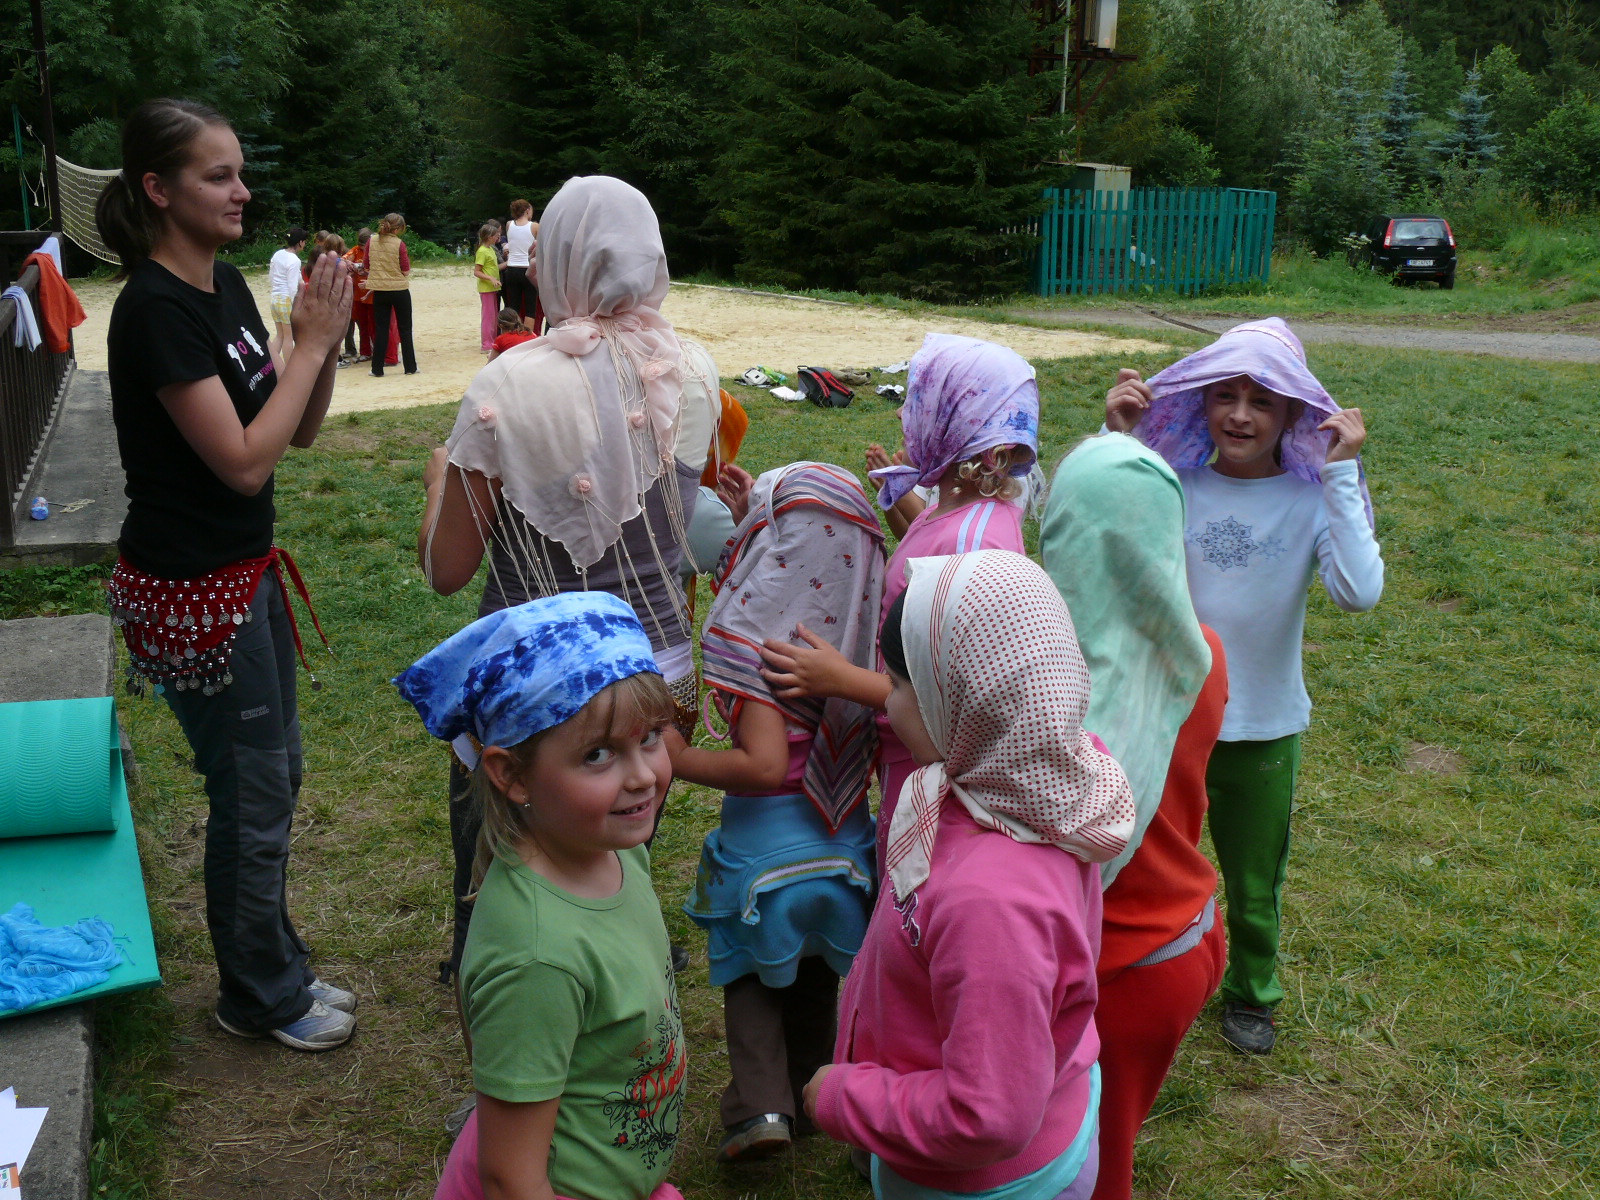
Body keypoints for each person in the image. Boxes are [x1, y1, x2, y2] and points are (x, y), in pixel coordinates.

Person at [94, 97, 354, 1051]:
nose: (242, 190)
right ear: (158, 189)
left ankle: (271, 961)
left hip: (245, 575)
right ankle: (258, 995)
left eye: (240, 171)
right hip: (196, 591)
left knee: (273, 777)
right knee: (250, 791)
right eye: (218, 175)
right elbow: (243, 463)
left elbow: (296, 428)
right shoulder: (154, 311)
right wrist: (311, 347)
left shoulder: (228, 285)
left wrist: (323, 340)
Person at [416, 174, 719, 982]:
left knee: (501, 872)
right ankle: (622, 975)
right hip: (654, 672)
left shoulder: (509, 383)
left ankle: (506, 993)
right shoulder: (692, 368)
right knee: (618, 849)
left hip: (534, 689)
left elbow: (447, 569)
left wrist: (439, 481)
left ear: (554, 260)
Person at [804, 550, 1137, 1200]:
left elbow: (987, 1116)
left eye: (897, 686)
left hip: (981, 1182)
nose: (886, 703)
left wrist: (843, 1097)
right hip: (1045, 1091)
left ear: (963, 703)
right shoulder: (1044, 779)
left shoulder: (992, 903)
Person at [1103, 317, 1384, 1054]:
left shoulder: (1309, 499)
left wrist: (1341, 474)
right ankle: (1137, 972)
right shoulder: (1171, 483)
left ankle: (1253, 993)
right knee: (1141, 863)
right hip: (1167, 720)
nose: (1240, 415)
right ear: (1199, 402)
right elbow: (1103, 546)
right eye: (1224, 395)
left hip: (1262, 727)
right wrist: (1119, 442)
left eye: (1262, 401)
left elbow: (1358, 592)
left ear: (1293, 414)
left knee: (1254, 881)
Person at [395, 594, 687, 1200]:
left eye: (651, 737)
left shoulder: (613, 849)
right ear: (511, 774)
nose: (642, 776)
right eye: (598, 754)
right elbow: (511, 1179)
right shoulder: (537, 956)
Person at [759, 333, 1041, 870]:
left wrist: (839, 679)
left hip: (927, 766)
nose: (901, 414)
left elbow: (951, 706)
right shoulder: (956, 510)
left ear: (964, 432)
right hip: (903, 742)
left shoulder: (972, 546)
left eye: (917, 402)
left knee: (911, 876)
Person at [671, 462, 884, 1164]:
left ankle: (760, 1107)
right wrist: (747, 514)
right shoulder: (856, 643)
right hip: (843, 853)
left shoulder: (765, 649)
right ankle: (812, 1090)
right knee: (817, 979)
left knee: (752, 981)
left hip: (765, 865)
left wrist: (679, 758)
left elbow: (763, 766)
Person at [1041, 433, 1227, 1200]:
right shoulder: (1201, 653)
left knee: (1085, 1166)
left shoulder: (1051, 680)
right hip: (1184, 934)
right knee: (1103, 1144)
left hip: (1110, 966)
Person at [367, 212, 417, 376]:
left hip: (380, 290)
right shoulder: (399, 244)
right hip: (399, 289)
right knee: (405, 329)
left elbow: (366, 266)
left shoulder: (371, 241)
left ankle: (377, 369)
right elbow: (406, 270)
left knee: (381, 329)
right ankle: (410, 367)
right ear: (398, 229)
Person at [268, 225, 307, 355]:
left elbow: (271, 276)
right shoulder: (294, 260)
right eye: (304, 241)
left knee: (280, 335)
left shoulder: (278, 254)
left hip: (275, 299)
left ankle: (271, 363)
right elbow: (292, 286)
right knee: (288, 337)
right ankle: (288, 366)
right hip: (286, 300)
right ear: (300, 242)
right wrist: (296, 304)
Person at [500, 198, 537, 330]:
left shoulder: (509, 224)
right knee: (530, 309)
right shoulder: (534, 226)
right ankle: (527, 337)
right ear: (527, 210)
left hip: (511, 269)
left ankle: (512, 334)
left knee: (513, 307)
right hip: (527, 269)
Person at [472, 222, 500, 354]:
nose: (498, 237)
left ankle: (492, 341)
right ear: (489, 237)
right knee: (488, 317)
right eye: (495, 235)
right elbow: (477, 271)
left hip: (492, 288)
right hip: (486, 288)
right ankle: (486, 344)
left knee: (493, 317)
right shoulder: (482, 251)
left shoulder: (490, 249)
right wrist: (490, 278)